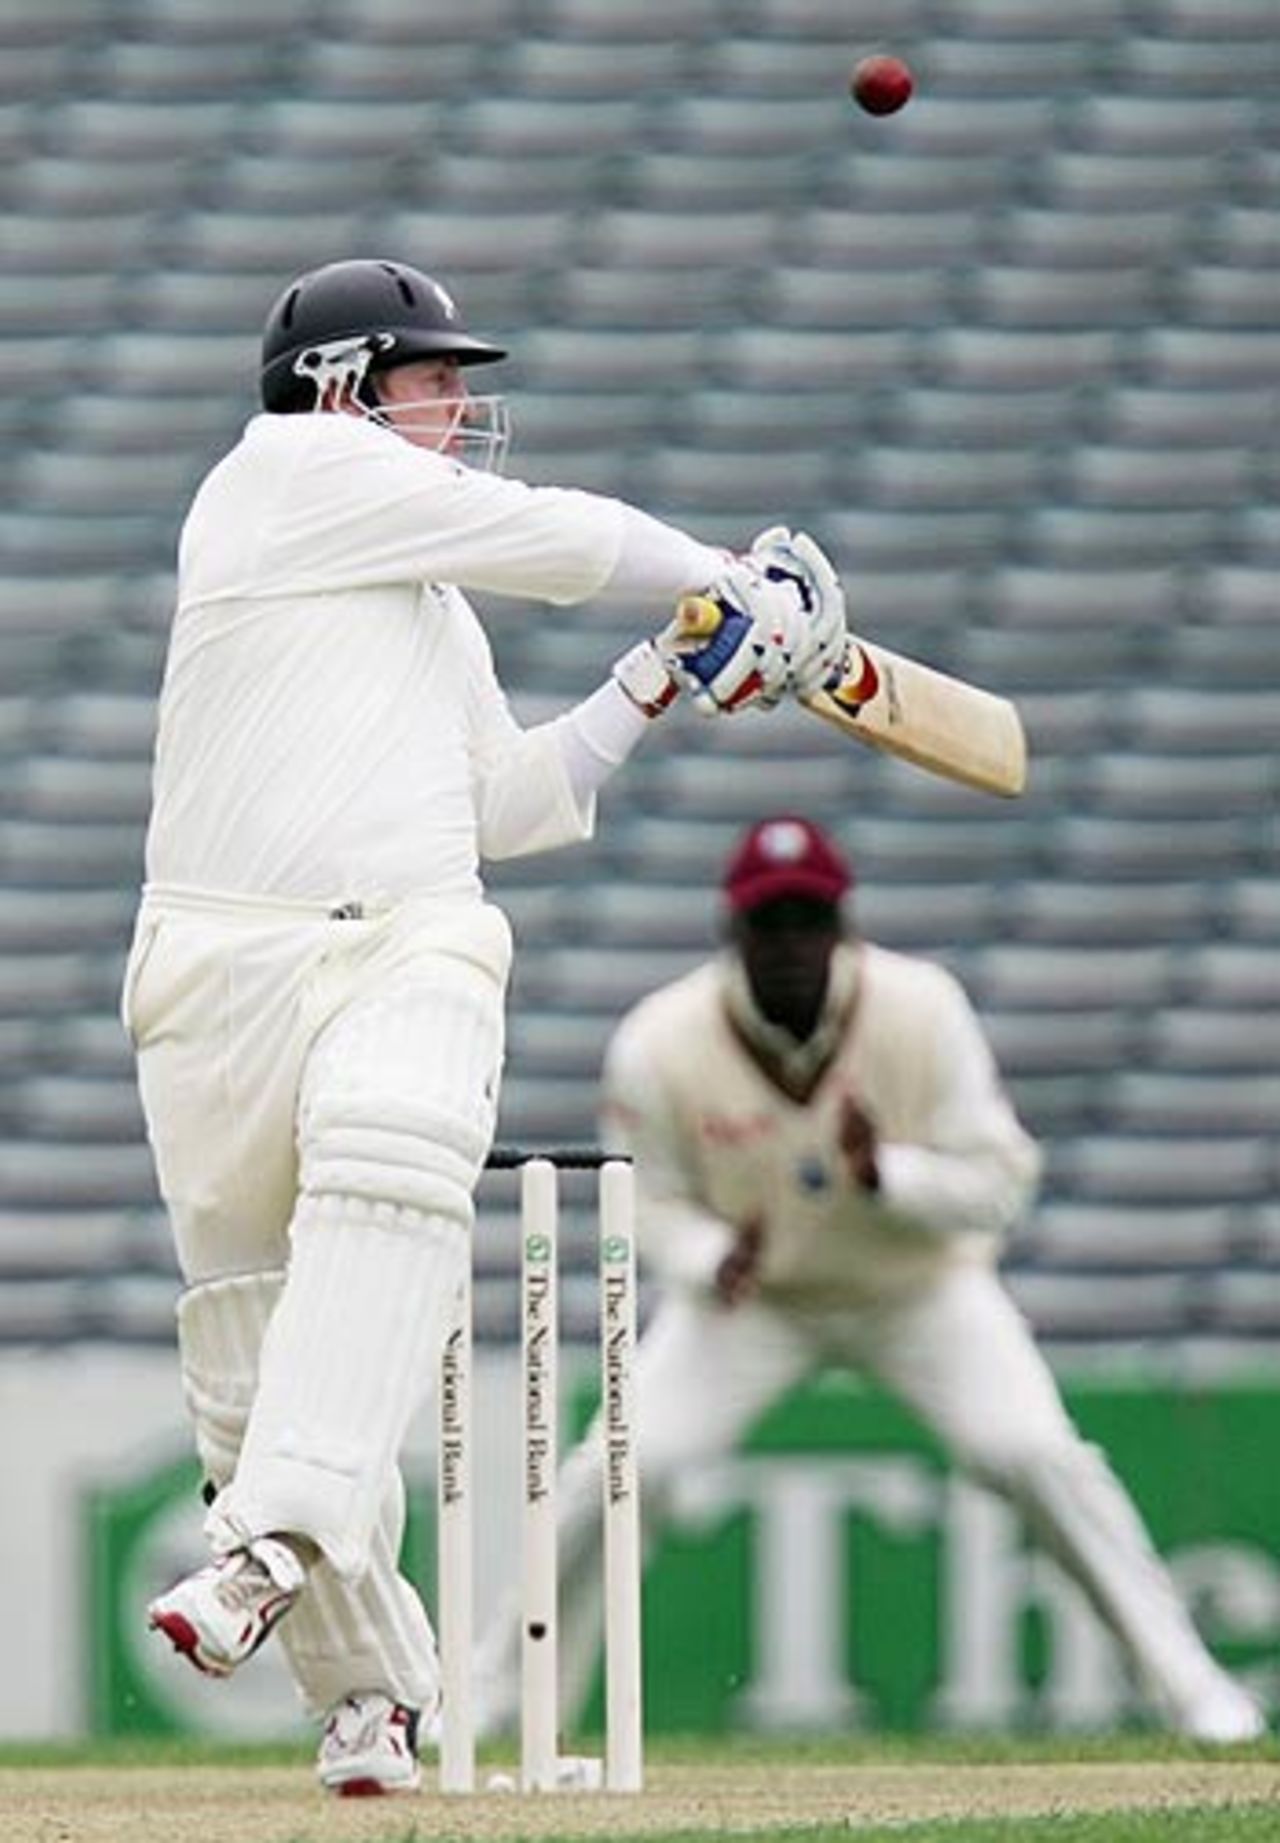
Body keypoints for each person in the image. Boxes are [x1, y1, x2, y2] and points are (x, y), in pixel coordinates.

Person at [123, 259, 850, 1796]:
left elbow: (505, 805)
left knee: (393, 1150)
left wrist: (658, 672)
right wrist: (730, 575)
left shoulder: (423, 594)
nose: (459, 405)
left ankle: (266, 1542)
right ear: (342, 386)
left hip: (408, 940)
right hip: (212, 973)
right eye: (433, 377)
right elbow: (564, 539)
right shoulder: (285, 476)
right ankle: (372, 1696)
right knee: (246, 1339)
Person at [472, 814, 1265, 1746]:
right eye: (770, 924)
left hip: (918, 1288)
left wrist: (889, 1172)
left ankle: (1193, 1690)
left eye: (809, 920)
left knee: (1032, 1453)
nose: (790, 945)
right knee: (621, 1468)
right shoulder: (660, 1041)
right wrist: (711, 1254)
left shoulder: (922, 1010)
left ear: (843, 927)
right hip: (754, 1303)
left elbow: (1002, 1182)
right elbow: (644, 1200)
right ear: (734, 933)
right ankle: (500, 1702)